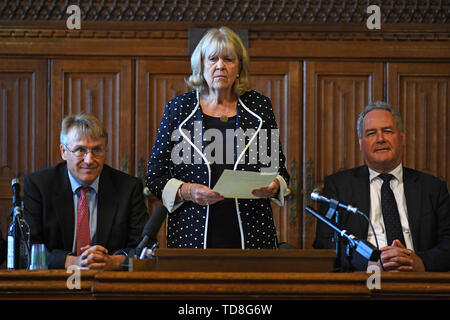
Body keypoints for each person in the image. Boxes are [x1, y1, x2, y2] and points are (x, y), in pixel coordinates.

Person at [146, 26, 290, 249]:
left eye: (228, 59)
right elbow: (155, 176)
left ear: (239, 66)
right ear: (201, 64)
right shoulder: (179, 109)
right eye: (212, 58)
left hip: (252, 233)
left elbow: (277, 170)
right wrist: (188, 191)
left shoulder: (259, 107)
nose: (220, 65)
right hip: (191, 233)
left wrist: (273, 186)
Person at [314, 101, 450, 272]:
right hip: (363, 280)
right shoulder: (338, 186)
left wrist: (422, 262)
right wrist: (370, 263)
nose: (380, 139)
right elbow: (325, 243)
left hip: (418, 280)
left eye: (387, 131)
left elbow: (448, 242)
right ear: (361, 143)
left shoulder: (433, 188)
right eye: (371, 133)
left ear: (402, 138)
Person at [23, 113, 148, 270]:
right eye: (80, 150)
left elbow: (143, 248)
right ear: (63, 151)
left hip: (109, 282)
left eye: (97, 150)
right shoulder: (38, 185)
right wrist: (71, 262)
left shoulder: (128, 188)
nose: (89, 160)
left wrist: (113, 261)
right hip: (55, 280)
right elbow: (26, 246)